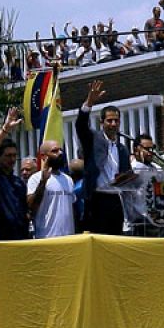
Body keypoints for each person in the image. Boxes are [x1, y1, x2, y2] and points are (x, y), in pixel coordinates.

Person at [74, 80, 135, 234]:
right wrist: (89, 103)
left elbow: (127, 177)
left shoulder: (122, 149)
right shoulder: (93, 139)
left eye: (116, 120)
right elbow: (81, 126)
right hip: (96, 199)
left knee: (115, 239)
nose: (113, 124)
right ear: (102, 122)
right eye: (109, 120)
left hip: (115, 199)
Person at [0, 109, 32, 240]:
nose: (12, 159)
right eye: (8, 155)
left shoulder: (19, 182)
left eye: (14, 155)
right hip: (1, 237)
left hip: (21, 237)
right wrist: (5, 129)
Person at [27, 137, 78, 239]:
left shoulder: (68, 179)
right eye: (55, 151)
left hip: (69, 238)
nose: (60, 153)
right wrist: (43, 181)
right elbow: (31, 206)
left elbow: (72, 209)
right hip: (47, 237)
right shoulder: (35, 178)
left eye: (60, 150)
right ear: (43, 156)